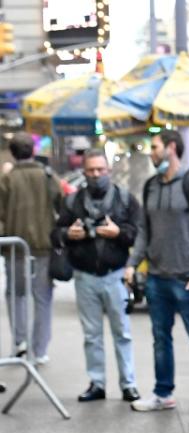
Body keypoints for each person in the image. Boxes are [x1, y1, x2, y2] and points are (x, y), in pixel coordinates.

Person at [124, 129, 189, 419]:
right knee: (160, 339)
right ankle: (163, 393)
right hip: (157, 277)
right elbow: (144, 230)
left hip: (188, 277)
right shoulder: (151, 186)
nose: (151, 152)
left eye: (155, 147)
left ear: (171, 148)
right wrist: (132, 262)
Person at [52, 149, 141, 402]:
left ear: (108, 171)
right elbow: (55, 233)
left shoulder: (124, 199)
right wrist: (68, 234)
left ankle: (129, 384)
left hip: (115, 275)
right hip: (85, 276)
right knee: (91, 335)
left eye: (100, 170)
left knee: (122, 332)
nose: (96, 175)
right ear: (84, 172)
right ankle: (97, 383)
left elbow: (138, 232)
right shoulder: (72, 202)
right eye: (91, 170)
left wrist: (118, 233)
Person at [0, 132, 61, 363]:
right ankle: (41, 349)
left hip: (14, 248)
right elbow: (62, 204)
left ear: (13, 153)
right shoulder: (47, 177)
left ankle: (20, 342)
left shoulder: (6, 180)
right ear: (33, 151)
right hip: (43, 249)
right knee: (43, 298)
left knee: (16, 295)